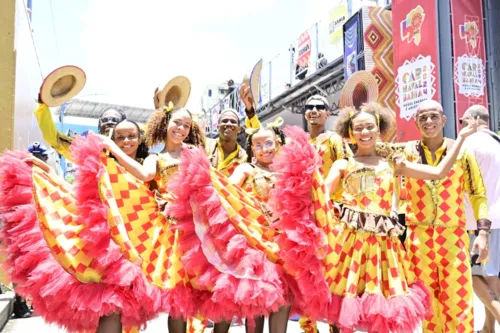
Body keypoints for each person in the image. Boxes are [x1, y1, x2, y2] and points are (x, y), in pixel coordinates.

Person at [284, 102, 477, 332]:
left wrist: (462, 138)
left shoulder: (393, 164)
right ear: (350, 133)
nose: (364, 133)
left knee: (383, 312)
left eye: (369, 127)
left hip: (384, 249)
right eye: (358, 129)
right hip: (348, 247)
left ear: (379, 130)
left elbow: (438, 173)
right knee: (342, 307)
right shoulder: (343, 164)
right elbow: (320, 196)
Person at [97, 104, 287, 333]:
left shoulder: (196, 153)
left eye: (186, 125)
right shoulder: (155, 158)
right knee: (178, 298)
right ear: (164, 124)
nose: (181, 128)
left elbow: (214, 185)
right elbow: (144, 175)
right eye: (177, 123)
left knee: (219, 289)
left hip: (198, 232)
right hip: (171, 233)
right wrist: (111, 149)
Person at [0, 121, 160, 333]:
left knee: (126, 311)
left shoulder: (150, 159)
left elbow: (146, 175)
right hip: (107, 246)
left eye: (131, 136)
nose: (126, 141)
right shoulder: (102, 164)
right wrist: (49, 174)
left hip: (139, 242)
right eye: (120, 137)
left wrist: (110, 148)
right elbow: (82, 196)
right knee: (110, 303)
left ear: (140, 138)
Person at [401, 100, 490, 333]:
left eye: (433, 116)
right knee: (428, 307)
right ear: (416, 122)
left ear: (443, 120)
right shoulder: (406, 153)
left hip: (453, 239)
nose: (428, 122)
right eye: (423, 118)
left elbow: (478, 193)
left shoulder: (462, 152)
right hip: (418, 241)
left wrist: (482, 233)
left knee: (459, 304)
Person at [229, 120, 291, 333]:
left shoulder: (290, 172)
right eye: (258, 145)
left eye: (269, 143)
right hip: (255, 247)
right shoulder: (246, 169)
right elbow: (226, 191)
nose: (265, 149)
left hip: (285, 246)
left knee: (283, 299)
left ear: (278, 144)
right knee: (255, 302)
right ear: (251, 149)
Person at [299, 95, 350, 333]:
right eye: (309, 106)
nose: (314, 110)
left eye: (320, 107)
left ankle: (335, 326)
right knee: (305, 275)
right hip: (303, 217)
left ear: (327, 113)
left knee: (333, 272)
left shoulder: (334, 139)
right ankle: (309, 328)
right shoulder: (297, 142)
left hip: (331, 214)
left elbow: (346, 169)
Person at [460, 105, 500, 333]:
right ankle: (487, 328)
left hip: (476, 221)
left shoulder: (470, 144)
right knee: (491, 273)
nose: (462, 126)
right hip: (497, 219)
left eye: (463, 121)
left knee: (471, 274)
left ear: (474, 120)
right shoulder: (496, 143)